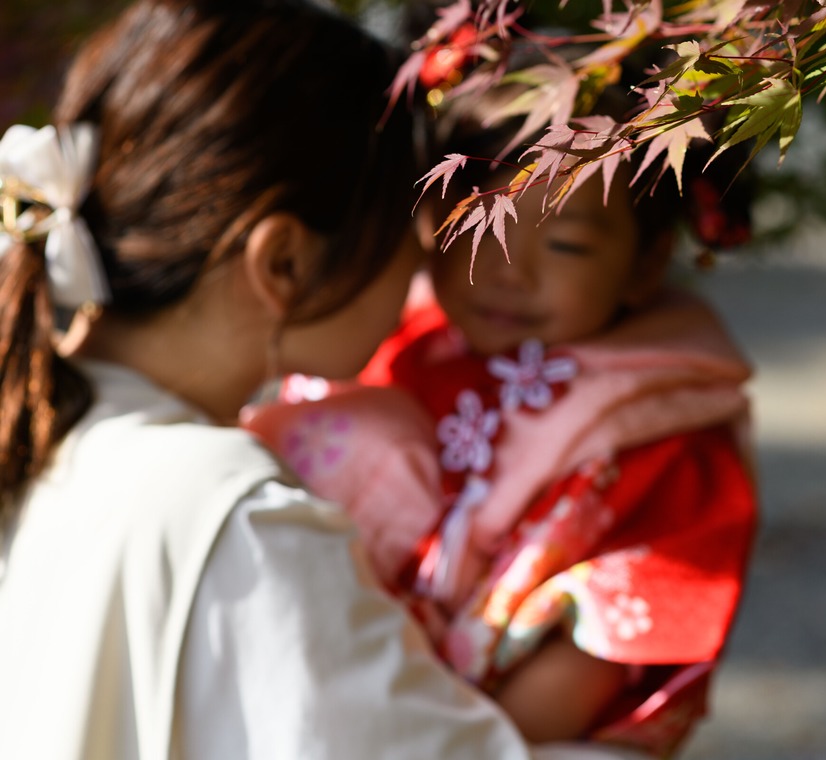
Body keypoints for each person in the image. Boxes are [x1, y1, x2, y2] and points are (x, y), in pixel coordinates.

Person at [0, 2, 647, 758]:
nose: (425, 262)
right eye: (413, 222)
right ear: (283, 263)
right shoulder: (237, 517)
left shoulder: (43, 416)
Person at [247, 81, 760, 757]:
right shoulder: (396, 341)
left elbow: (610, 640)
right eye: (481, 225)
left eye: (568, 246)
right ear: (431, 219)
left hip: (517, 728)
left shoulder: (657, 420)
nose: (509, 272)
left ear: (646, 263)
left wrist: (477, 743)